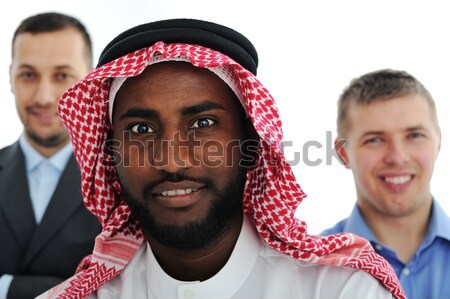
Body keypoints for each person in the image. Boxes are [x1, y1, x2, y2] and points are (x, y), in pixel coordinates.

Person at [38, 19, 405, 299]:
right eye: (141, 130)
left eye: (203, 123)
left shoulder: (341, 291)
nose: (172, 161)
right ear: (110, 153)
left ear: (251, 142)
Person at [322, 69, 450, 298]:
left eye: (414, 135)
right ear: (343, 153)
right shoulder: (312, 268)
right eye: (375, 140)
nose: (397, 157)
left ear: (438, 141)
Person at [0, 12, 102, 299]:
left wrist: (7, 287)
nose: (44, 96)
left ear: (89, 80)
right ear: (11, 78)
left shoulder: (120, 181)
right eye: (29, 75)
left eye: (61, 75)